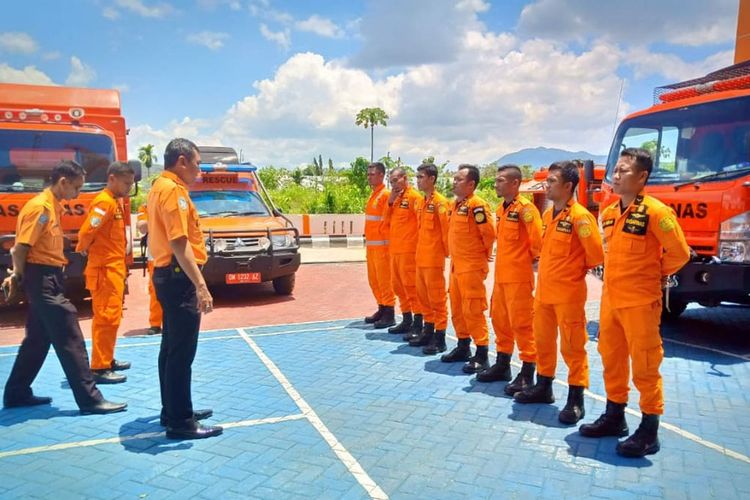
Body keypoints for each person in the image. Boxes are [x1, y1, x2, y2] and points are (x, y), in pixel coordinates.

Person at [579, 148, 690, 458]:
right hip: (611, 300)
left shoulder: (656, 212)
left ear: (642, 177)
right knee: (612, 358)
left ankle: (649, 429)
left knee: (644, 363)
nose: (615, 175)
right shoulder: (611, 212)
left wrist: (653, 275)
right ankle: (615, 416)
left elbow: (680, 254)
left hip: (641, 301)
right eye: (615, 170)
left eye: (624, 171)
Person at [2, 160, 127, 414]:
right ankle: (90, 399)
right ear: (63, 183)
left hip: (49, 277)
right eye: (76, 188)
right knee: (71, 334)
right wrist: (18, 278)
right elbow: (20, 248)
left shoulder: (52, 207)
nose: (77, 194)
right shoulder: (41, 208)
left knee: (37, 340)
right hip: (42, 278)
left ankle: (16, 392)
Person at [514, 162, 604, 425]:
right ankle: (544, 386)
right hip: (544, 293)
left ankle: (576, 399)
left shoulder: (581, 217)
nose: (547, 185)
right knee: (543, 341)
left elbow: (596, 255)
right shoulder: (547, 216)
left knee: (573, 347)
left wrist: (571, 272)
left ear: (568, 186)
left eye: (552, 181)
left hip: (568, 294)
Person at [147, 138, 221, 439]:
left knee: (170, 348)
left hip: (167, 275)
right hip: (179, 279)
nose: (198, 170)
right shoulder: (173, 192)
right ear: (181, 161)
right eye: (197, 163)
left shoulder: (157, 188)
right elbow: (179, 242)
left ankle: (174, 409)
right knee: (180, 353)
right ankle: (180, 422)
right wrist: (201, 286)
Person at [477, 165, 542, 394]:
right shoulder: (501, 209)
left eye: (501, 180)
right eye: (496, 180)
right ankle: (503, 364)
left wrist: (531, 262)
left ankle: (527, 371)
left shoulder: (526, 209)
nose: (496, 184)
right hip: (502, 278)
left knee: (522, 324)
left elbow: (537, 241)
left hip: (519, 279)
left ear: (515, 183)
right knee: (501, 321)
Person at [76, 162, 135, 385]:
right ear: (112, 178)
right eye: (126, 183)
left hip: (113, 268)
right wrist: (83, 247)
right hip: (104, 270)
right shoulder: (103, 202)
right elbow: (88, 230)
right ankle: (99, 367)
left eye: (130, 183)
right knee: (105, 317)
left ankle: (107, 358)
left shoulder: (113, 201)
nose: (129, 187)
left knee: (112, 317)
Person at [441, 165, 496, 373]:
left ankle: (481, 353)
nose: (454, 182)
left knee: (473, 309)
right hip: (456, 266)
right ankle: (463, 346)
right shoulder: (457, 205)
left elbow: (489, 234)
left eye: (459, 179)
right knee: (457, 308)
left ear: (471, 184)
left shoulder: (477, 205)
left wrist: (479, 255)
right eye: (454, 178)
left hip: (471, 266)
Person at [407, 163, 449, 354]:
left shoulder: (440, 203)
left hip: (433, 260)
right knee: (423, 298)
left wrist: (446, 253)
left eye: (421, 177)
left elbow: (447, 232)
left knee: (437, 299)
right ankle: (428, 331)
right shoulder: (423, 202)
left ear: (432, 179)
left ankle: (440, 338)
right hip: (421, 258)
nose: (418, 180)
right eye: (417, 177)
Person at [383, 167, 424, 337]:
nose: (393, 184)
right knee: (398, 287)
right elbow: (386, 222)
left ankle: (418, 323)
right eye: (391, 181)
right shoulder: (396, 199)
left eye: (395, 180)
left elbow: (422, 224)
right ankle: (407, 319)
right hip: (395, 251)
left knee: (412, 288)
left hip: (409, 252)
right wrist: (391, 202)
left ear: (404, 178)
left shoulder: (415, 197)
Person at [363, 162, 396, 329]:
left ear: (381, 175)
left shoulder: (385, 195)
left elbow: (388, 219)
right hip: (372, 247)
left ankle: (389, 313)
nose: (369, 177)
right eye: (368, 174)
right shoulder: (374, 195)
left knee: (384, 282)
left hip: (383, 248)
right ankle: (381, 308)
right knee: (374, 280)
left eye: (372, 174)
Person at [136, 202, 163, 335]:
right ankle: (155, 324)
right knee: (155, 290)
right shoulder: (145, 207)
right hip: (155, 257)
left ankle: (173, 322)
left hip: (174, 255)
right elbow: (142, 227)